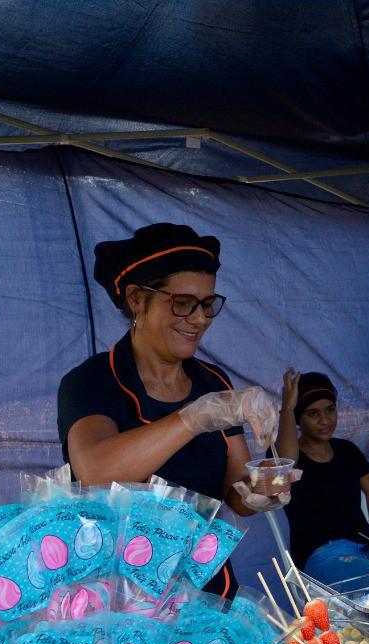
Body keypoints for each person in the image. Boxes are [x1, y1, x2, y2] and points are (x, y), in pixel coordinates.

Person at [58, 222, 294, 598]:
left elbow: (236, 494)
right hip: (116, 606)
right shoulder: (91, 381)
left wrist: (262, 489)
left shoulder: (213, 383)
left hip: (206, 595)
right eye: (182, 303)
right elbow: (95, 472)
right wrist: (194, 417)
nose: (200, 318)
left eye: (207, 304)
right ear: (137, 299)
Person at [277, 369, 369, 583]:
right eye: (312, 413)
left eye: (330, 410)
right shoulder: (288, 457)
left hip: (366, 548)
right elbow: (285, 463)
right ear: (298, 419)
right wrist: (288, 408)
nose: (324, 420)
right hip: (321, 556)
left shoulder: (347, 451)